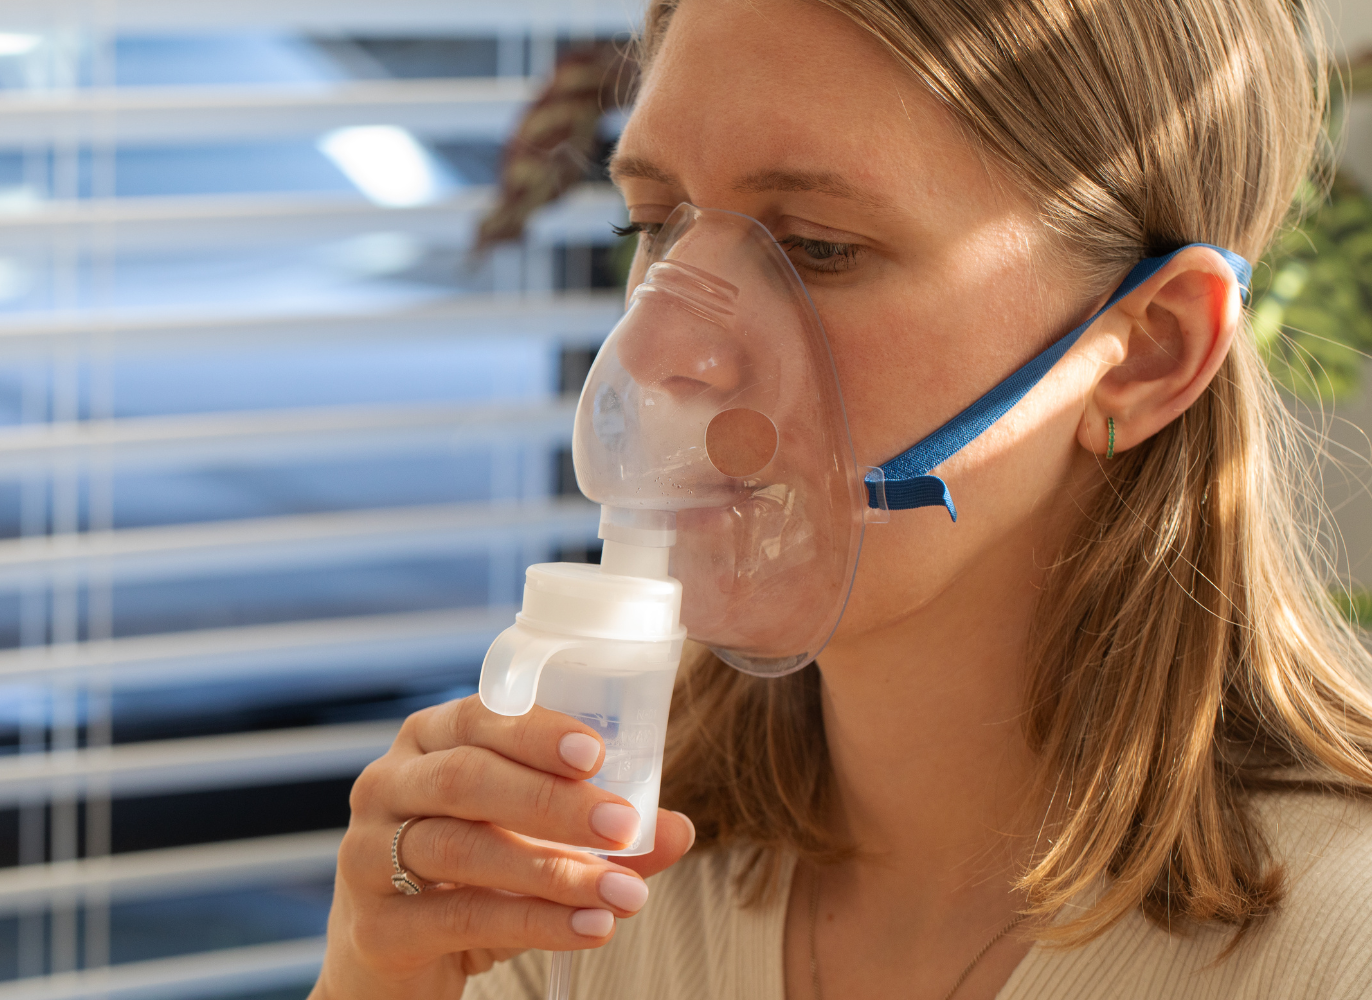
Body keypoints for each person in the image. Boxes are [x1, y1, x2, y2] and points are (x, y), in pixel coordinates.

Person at [310, 0, 1372, 997]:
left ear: (1146, 353)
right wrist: (375, 975)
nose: (660, 346)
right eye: (657, 223)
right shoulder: (578, 887)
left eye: (819, 247)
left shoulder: (1339, 949)